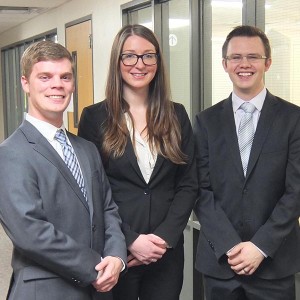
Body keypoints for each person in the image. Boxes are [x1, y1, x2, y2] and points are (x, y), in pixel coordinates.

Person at [78, 24, 198, 300]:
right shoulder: (95, 118)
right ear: (117, 61)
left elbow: (189, 183)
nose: (139, 64)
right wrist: (130, 239)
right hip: (117, 251)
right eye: (129, 56)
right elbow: (93, 189)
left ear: (157, 61)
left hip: (165, 254)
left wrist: (164, 239)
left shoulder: (176, 115)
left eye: (148, 55)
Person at [0, 40, 127, 300]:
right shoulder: (10, 153)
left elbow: (108, 209)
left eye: (65, 77)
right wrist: (95, 268)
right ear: (25, 83)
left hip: (100, 289)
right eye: (45, 77)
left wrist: (116, 256)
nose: (57, 84)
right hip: (47, 290)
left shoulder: (87, 148)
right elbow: (30, 232)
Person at [194, 25, 300, 300]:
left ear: (267, 62)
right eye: (236, 57)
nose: (244, 64)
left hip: (274, 264)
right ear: (224, 64)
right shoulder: (206, 122)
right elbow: (200, 190)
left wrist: (260, 247)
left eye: (253, 57)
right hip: (221, 264)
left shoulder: (293, 119)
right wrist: (231, 246)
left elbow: (295, 191)